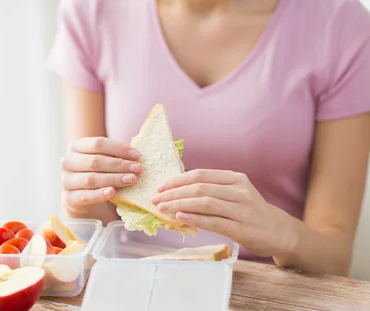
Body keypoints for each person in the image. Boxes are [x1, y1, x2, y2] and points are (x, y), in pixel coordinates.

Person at [45, 0, 370, 276]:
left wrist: (278, 232)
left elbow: (334, 257)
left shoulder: (339, 22)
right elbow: (98, 220)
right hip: (134, 280)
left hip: (275, 295)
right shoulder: (93, 10)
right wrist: (80, 199)